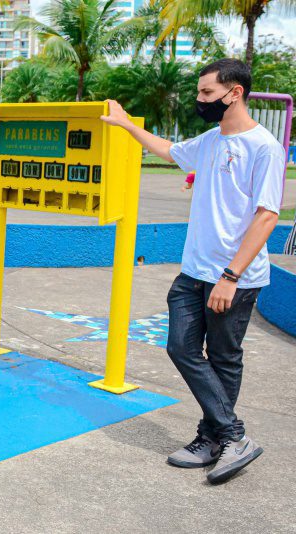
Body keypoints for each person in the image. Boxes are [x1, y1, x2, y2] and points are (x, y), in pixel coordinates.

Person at [101, 58, 285, 484]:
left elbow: (266, 216)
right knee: (181, 348)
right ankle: (232, 435)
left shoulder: (264, 147)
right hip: (194, 271)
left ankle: (212, 438)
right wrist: (127, 124)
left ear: (234, 92)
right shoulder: (210, 139)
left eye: (206, 94)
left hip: (232, 276)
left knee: (223, 357)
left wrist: (231, 275)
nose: (199, 100)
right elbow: (168, 149)